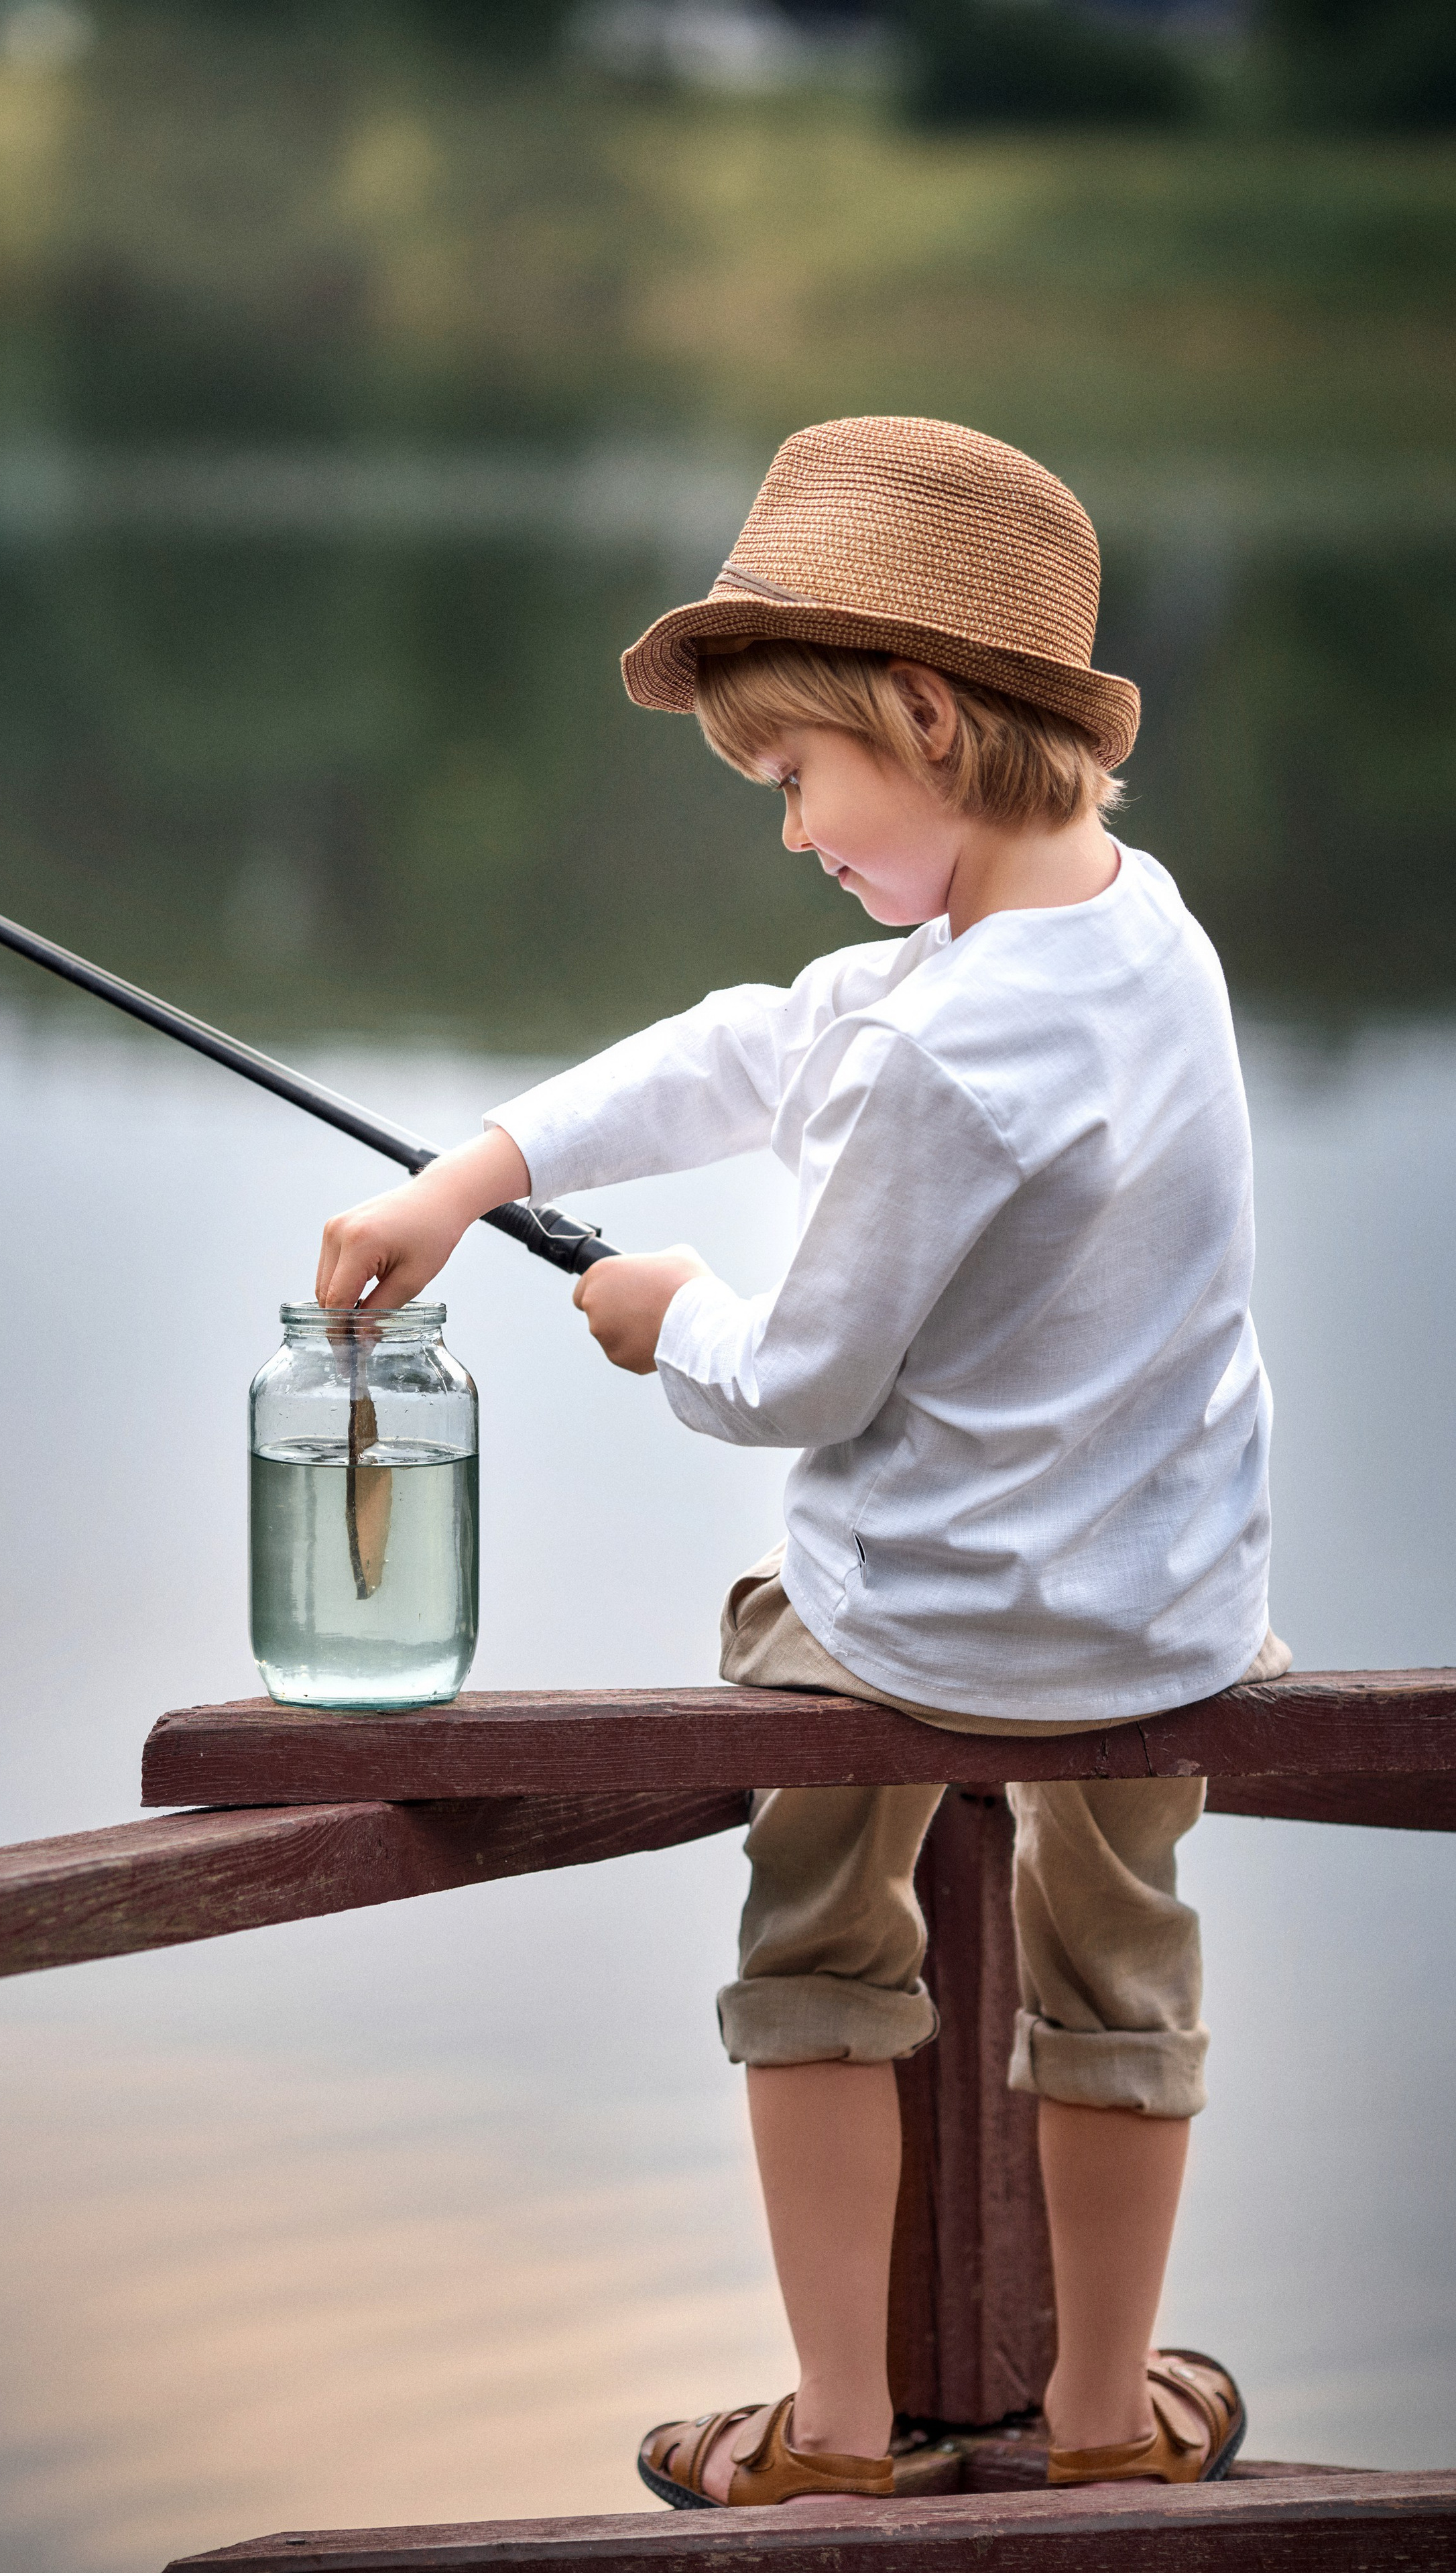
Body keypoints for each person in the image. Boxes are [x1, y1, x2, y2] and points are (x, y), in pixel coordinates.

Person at [316, 417, 1275, 2505]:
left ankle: (843, 2430)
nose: (789, 833)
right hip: (1157, 1625)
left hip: (906, 1636)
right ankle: (1108, 2422)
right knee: (1121, 1978)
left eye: (794, 781)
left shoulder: (942, 1047)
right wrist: (482, 1173)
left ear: (922, 717)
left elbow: (810, 1380)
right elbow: (766, 1034)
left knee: (819, 1955)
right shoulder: (1142, 941)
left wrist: (666, 1319)